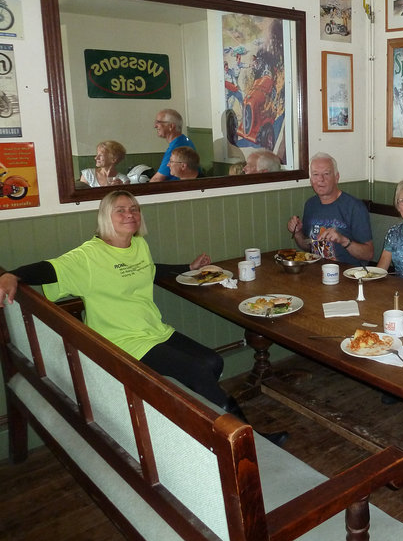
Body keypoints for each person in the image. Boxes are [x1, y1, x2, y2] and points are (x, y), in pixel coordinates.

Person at [0, 190, 287, 446]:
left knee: (213, 362)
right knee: (198, 372)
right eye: (121, 210)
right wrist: (12, 275)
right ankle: (249, 439)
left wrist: (186, 267)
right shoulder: (88, 256)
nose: (130, 214)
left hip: (153, 330)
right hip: (121, 341)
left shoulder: (138, 245)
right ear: (105, 217)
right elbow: (48, 269)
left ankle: (202, 432)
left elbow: (148, 269)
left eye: (134, 208)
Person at [287, 153, 374, 265]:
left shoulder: (354, 207)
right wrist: (297, 232)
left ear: (336, 177)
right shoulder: (310, 204)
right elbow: (308, 247)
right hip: (316, 271)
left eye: (326, 174)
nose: (320, 179)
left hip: (349, 274)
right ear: (310, 180)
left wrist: (343, 240)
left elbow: (369, 254)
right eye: (315, 174)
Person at [149, 109, 196, 183]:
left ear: (171, 126)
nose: (155, 126)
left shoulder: (176, 147)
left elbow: (157, 179)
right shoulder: (184, 140)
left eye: (158, 122)